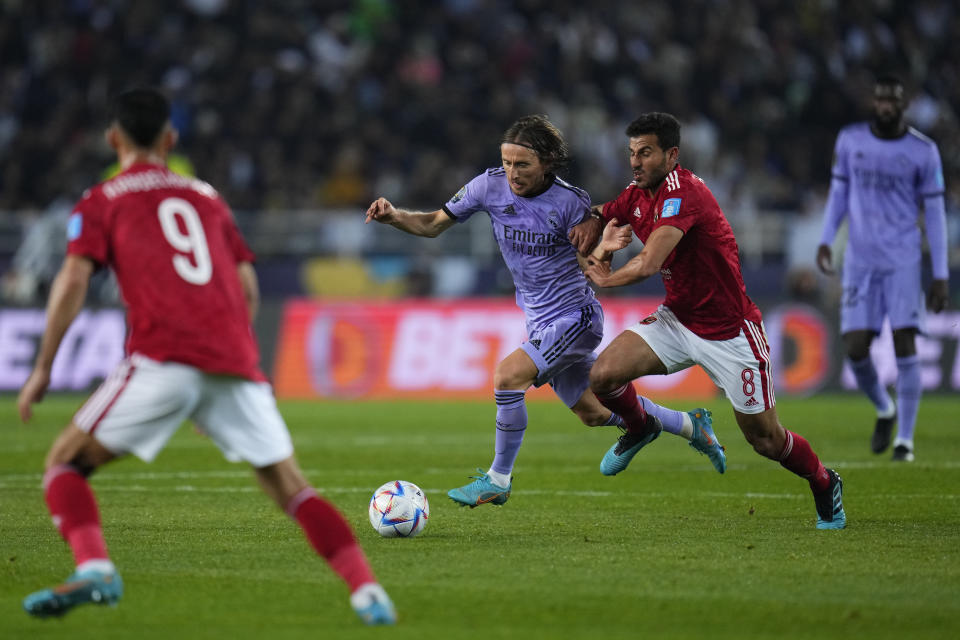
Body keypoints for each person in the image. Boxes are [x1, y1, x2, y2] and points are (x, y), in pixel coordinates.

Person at [16, 88, 396, 625]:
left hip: (162, 354)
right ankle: (367, 592)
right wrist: (226, 373)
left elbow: (75, 277)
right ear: (170, 140)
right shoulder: (207, 197)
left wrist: (42, 369)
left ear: (113, 139)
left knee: (63, 465)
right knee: (293, 488)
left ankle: (96, 568)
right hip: (233, 361)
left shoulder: (102, 199)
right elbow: (246, 285)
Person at [365, 115, 726, 509]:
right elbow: (434, 224)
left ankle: (497, 479)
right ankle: (691, 426)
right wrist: (394, 216)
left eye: (523, 165)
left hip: (575, 317)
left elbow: (592, 260)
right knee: (593, 412)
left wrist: (602, 247)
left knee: (507, 377)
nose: (512, 173)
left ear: (548, 162)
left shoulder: (572, 203)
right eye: (507, 162)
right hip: (539, 320)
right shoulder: (488, 186)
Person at [582, 112, 846, 530]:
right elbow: (608, 210)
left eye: (645, 153)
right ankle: (641, 427)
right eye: (631, 152)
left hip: (729, 332)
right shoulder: (637, 192)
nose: (635, 162)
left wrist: (604, 275)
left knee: (765, 439)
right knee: (604, 376)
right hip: (678, 320)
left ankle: (823, 480)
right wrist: (595, 222)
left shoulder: (682, 194)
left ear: (672, 155)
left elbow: (650, 262)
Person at [816, 75, 949, 462]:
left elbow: (936, 214)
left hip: (903, 260)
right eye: (880, 100)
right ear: (874, 103)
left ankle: (905, 441)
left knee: (905, 340)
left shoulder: (923, 151)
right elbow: (839, 193)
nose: (886, 106)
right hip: (860, 260)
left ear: (903, 104)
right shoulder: (851, 140)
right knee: (856, 347)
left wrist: (939, 273)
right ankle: (884, 408)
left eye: (892, 100)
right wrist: (826, 238)